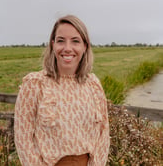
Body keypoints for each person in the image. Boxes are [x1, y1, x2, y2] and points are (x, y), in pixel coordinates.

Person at [14, 15, 110, 166]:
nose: (67, 48)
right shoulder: (34, 84)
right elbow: (23, 139)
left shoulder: (93, 84)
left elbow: (104, 133)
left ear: (85, 46)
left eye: (75, 41)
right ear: (52, 45)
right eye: (60, 40)